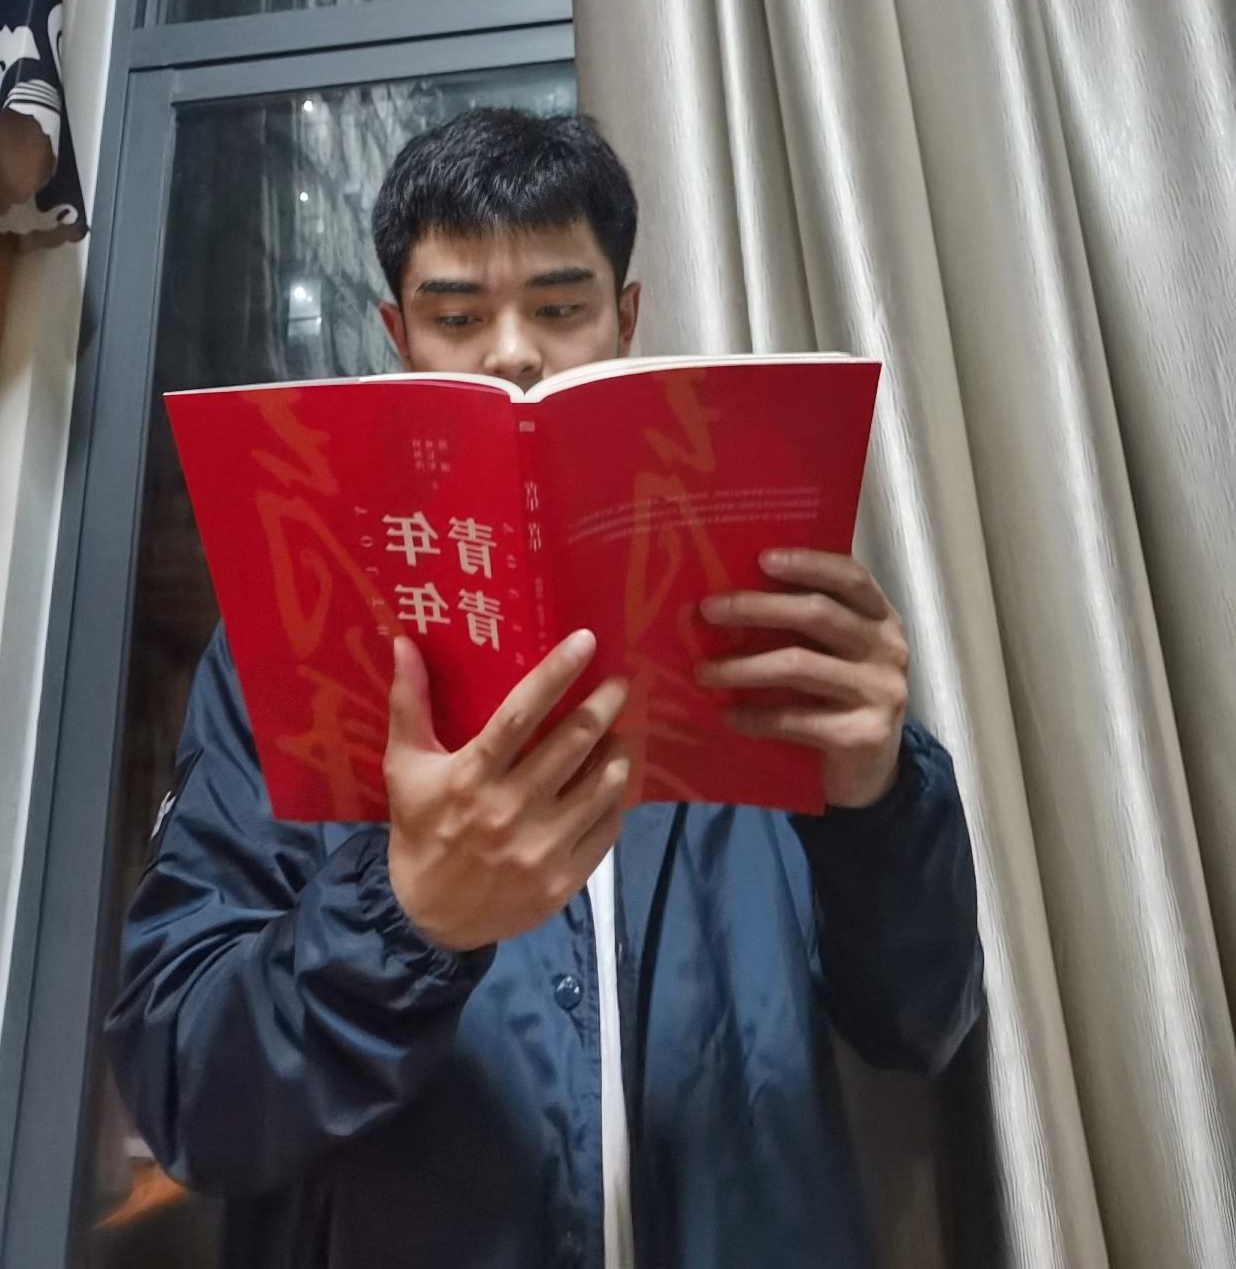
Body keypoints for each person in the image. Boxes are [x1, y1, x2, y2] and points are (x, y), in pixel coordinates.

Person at [107, 107, 983, 1269]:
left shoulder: (756, 614)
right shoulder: (289, 640)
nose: (512, 352)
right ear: (397, 335)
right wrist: (407, 918)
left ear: (627, 318)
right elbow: (186, 1092)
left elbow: (922, 1023)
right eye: (456, 316)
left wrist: (879, 791)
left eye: (561, 308)